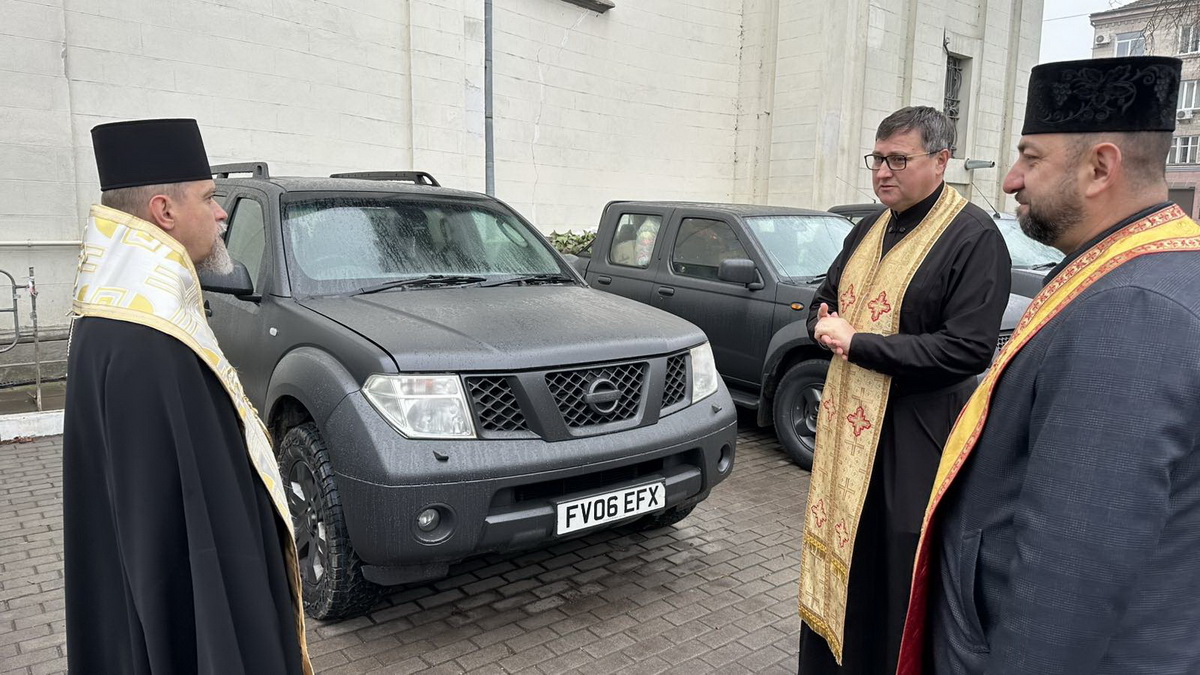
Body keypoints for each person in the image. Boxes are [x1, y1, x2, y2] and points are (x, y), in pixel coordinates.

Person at [898, 55, 1200, 675]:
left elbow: (1069, 574)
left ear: (1100, 168)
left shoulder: (1133, 309)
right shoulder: (1140, 270)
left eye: (1030, 157)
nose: (1011, 179)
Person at [62, 119, 312, 674]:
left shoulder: (121, 318)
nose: (221, 214)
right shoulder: (146, 344)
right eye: (208, 197)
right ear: (164, 211)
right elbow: (175, 544)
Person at [798, 106, 1012, 674]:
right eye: (877, 159)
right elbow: (826, 297)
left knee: (894, 568)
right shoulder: (867, 229)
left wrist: (859, 343)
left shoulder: (973, 237)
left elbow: (967, 349)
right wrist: (821, 322)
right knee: (845, 556)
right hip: (847, 432)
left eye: (898, 159)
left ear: (942, 161)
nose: (882, 172)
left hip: (915, 435)